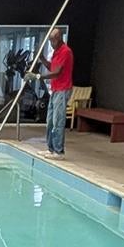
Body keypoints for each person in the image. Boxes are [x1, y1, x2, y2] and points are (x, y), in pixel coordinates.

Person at [26, 27, 74, 158]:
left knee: (58, 121)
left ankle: (58, 151)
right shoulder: (56, 52)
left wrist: (37, 76)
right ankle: (51, 148)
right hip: (55, 90)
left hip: (63, 90)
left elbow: (57, 73)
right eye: (50, 41)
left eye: (53, 41)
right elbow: (51, 67)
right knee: (50, 121)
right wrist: (41, 58)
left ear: (59, 38)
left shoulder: (66, 52)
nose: (51, 44)